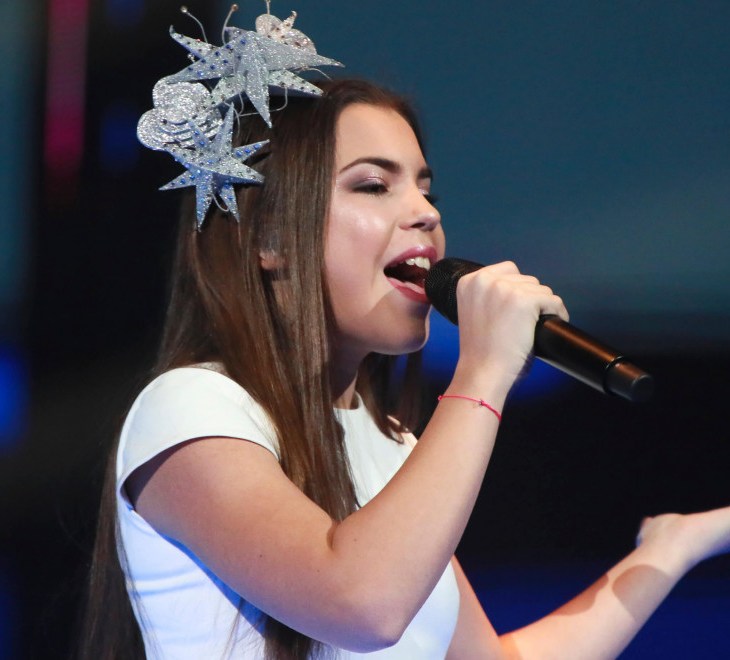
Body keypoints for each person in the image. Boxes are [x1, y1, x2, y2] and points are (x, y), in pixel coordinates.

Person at [80, 12, 730, 660]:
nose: (424, 213)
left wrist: (670, 551)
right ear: (270, 238)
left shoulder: (390, 442)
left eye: (426, 191)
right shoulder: (193, 409)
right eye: (373, 185)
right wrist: (483, 371)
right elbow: (361, 604)